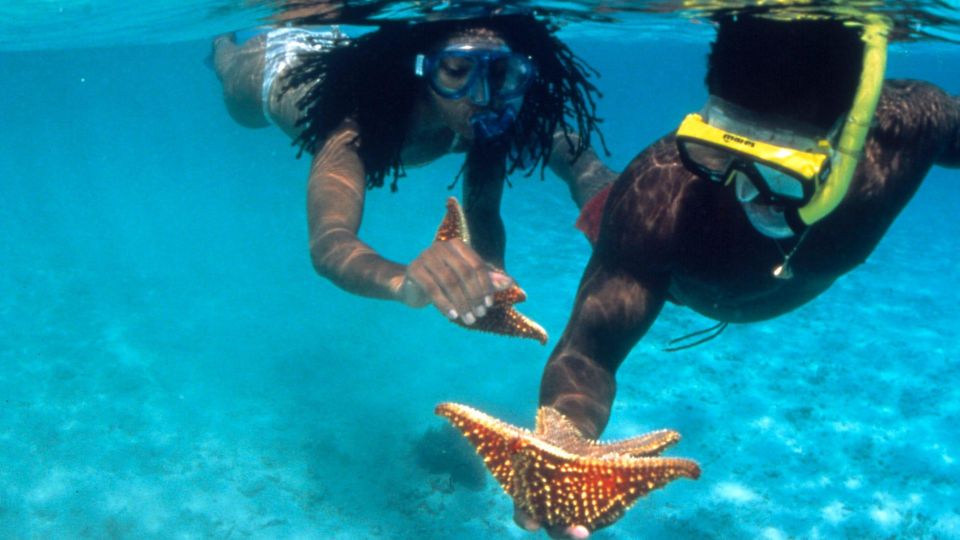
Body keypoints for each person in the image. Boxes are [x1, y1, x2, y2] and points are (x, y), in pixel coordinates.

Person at [442, 11, 959, 539]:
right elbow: (589, 352)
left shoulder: (912, 129)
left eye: (780, 175)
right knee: (597, 187)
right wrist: (564, 450)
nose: (741, 192)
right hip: (662, 262)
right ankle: (565, 147)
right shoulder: (660, 194)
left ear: (845, 150)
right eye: (714, 155)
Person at [212, 14, 616, 327]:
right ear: (422, 70)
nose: (483, 97)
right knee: (230, 76)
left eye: (500, 74)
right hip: (270, 69)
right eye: (457, 71)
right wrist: (404, 281)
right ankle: (220, 43)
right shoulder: (355, 126)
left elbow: (487, 209)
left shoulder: (486, 118)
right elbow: (330, 244)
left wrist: (490, 270)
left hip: (333, 49)